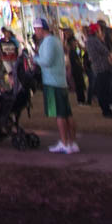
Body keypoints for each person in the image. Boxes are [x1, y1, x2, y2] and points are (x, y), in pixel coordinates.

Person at [33, 17, 77, 154]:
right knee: (66, 113)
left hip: (52, 81)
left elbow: (46, 61)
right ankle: (71, 142)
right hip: (60, 80)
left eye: (36, 29)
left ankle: (65, 142)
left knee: (60, 114)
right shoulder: (55, 41)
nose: (35, 32)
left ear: (41, 29)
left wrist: (34, 59)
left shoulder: (48, 42)